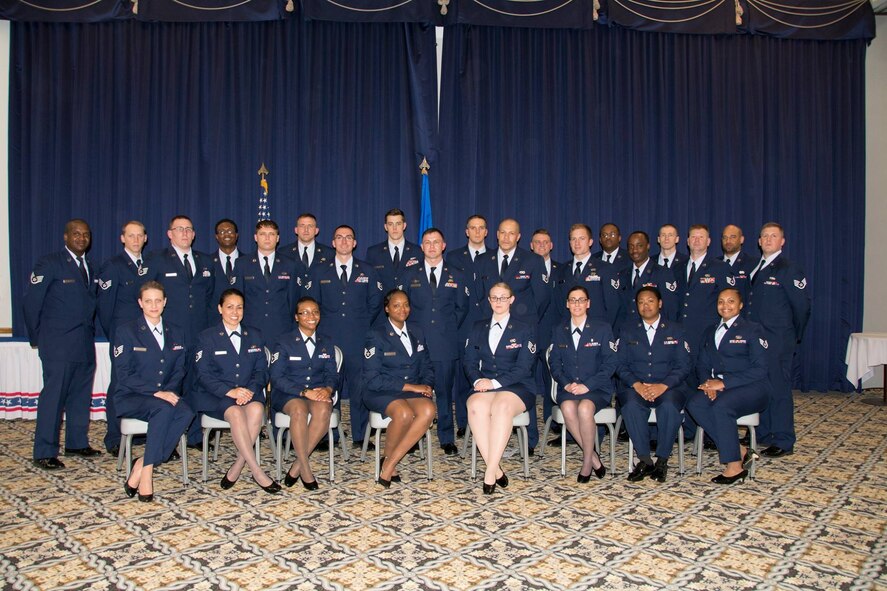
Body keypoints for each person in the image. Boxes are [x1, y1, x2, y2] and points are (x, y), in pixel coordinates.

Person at [23, 219, 100, 469]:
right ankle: (44, 451)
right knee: (53, 398)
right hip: (57, 344)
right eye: (76, 234)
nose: (81, 238)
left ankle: (76, 443)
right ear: (65, 237)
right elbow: (31, 303)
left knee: (80, 396)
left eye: (85, 234)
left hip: (83, 343)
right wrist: (38, 338)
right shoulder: (50, 263)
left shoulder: (91, 266)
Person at [114, 281, 194, 501]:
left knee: (187, 411)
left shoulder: (176, 332)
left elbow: (179, 370)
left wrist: (167, 391)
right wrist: (156, 392)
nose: (153, 305)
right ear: (140, 303)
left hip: (164, 395)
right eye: (148, 301)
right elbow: (124, 374)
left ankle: (141, 462)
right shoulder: (126, 332)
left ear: (165, 302)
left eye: (158, 300)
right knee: (163, 409)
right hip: (132, 397)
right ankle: (147, 472)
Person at [194, 289, 280, 493]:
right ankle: (258, 472)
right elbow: (203, 375)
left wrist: (249, 390)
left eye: (239, 307)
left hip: (249, 393)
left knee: (257, 410)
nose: (235, 312)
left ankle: (237, 467)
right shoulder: (207, 337)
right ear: (220, 309)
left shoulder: (255, 335)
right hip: (218, 396)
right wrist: (230, 392)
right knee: (235, 413)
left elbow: (262, 370)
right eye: (230, 307)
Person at [477, 218, 550, 453]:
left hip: (521, 332)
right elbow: (480, 297)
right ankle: (493, 438)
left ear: (519, 237)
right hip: (491, 332)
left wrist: (522, 323)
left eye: (512, 234)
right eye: (503, 233)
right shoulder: (483, 260)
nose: (507, 237)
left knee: (521, 382)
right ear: (496, 235)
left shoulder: (532, 261)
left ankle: (528, 441)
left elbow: (542, 298)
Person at [307, 224, 384, 447]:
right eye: (339, 237)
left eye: (348, 238)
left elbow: (374, 303)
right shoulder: (320, 271)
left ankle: (360, 435)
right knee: (329, 386)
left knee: (359, 387)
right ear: (332, 242)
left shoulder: (367, 270)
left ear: (355, 243)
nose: (343, 241)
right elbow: (314, 304)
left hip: (358, 338)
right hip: (327, 339)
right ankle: (327, 434)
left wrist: (360, 325)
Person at [145, 215, 215, 447]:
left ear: (194, 234)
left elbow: (210, 298)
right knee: (170, 385)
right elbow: (147, 295)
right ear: (169, 233)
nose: (184, 233)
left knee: (196, 384)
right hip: (170, 335)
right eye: (179, 229)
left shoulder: (205, 261)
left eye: (189, 229)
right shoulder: (156, 259)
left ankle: (194, 435)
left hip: (199, 335)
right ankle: (168, 437)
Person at [688, 288, 769, 484]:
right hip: (718, 386)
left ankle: (734, 466)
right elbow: (702, 364)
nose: (725, 306)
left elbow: (760, 369)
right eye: (721, 302)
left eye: (731, 301)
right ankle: (740, 450)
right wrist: (708, 384)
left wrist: (723, 383)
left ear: (740, 305)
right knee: (695, 404)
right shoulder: (710, 331)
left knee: (721, 407)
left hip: (752, 387)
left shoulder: (753, 329)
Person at [744, 223, 811, 458]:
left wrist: (792, 335)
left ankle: (783, 438)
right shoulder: (756, 267)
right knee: (761, 386)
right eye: (765, 236)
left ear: (782, 241)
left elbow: (801, 308)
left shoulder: (789, 268)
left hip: (778, 340)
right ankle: (763, 432)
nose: (769, 240)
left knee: (780, 389)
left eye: (774, 236)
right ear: (759, 241)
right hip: (757, 341)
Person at [463, 283, 538, 494]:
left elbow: (524, 367)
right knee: (476, 406)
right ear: (488, 300)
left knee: (502, 406)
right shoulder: (477, 327)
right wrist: (477, 381)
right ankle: (496, 470)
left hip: (518, 386)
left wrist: (494, 383)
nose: (498, 302)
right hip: (484, 385)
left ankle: (489, 473)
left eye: (503, 298)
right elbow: (469, 362)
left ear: (511, 300)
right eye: (494, 298)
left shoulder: (525, 329)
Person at [402, 228, 469, 455]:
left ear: (443, 245)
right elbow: (403, 310)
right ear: (421, 247)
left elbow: (462, 308)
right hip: (416, 345)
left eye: (436, 242)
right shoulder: (410, 274)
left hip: (445, 344)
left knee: (444, 392)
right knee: (414, 392)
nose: (431, 246)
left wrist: (445, 329)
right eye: (427, 242)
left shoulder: (457, 274)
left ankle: (446, 437)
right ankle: (412, 437)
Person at [616, 287, 691, 483]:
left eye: (650, 301)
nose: (645, 306)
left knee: (668, 406)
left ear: (660, 303)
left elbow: (684, 365)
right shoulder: (627, 330)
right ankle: (644, 460)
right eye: (641, 302)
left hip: (669, 388)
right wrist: (637, 384)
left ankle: (662, 460)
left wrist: (663, 385)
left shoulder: (676, 329)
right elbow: (619, 364)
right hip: (636, 387)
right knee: (631, 406)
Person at [363, 290, 436, 487]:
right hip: (381, 391)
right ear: (387, 309)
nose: (402, 309)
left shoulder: (417, 331)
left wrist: (427, 385)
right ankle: (389, 465)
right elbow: (372, 378)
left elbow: (427, 365)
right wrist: (412, 387)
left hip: (410, 391)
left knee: (429, 410)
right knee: (403, 413)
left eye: (405, 305)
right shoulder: (376, 335)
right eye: (396, 305)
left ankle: (388, 462)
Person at [548, 286, 618, 482]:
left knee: (585, 408)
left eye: (581, 300)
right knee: (569, 407)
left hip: (596, 388)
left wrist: (588, 385)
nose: (577, 304)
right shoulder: (559, 330)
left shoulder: (602, 328)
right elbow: (554, 363)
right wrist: (566, 383)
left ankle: (587, 461)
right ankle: (594, 457)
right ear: (567, 304)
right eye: (573, 300)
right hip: (569, 388)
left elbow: (610, 363)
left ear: (588, 303)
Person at [269, 297, 337, 490]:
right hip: (289, 393)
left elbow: (332, 374)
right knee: (298, 410)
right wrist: (303, 391)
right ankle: (305, 469)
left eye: (315, 311)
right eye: (304, 312)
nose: (311, 316)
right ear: (296, 317)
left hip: (317, 393)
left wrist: (328, 389)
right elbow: (276, 377)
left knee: (324, 410)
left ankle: (296, 465)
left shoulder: (326, 342)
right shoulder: (284, 342)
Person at [97, 220, 149, 455]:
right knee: (119, 384)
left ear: (145, 238)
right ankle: (115, 436)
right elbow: (105, 308)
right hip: (124, 336)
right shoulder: (113, 265)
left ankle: (137, 434)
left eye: (140, 236)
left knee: (144, 383)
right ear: (122, 238)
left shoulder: (148, 264)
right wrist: (116, 334)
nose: (136, 240)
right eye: (131, 236)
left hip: (147, 336)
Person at [446, 214, 492, 438]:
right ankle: (464, 423)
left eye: (480, 228)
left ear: (486, 232)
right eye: (472, 228)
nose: (476, 232)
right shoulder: (454, 257)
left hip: (489, 325)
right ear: (466, 231)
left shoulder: (494, 257)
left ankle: (487, 421)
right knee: (464, 378)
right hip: (462, 325)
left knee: (487, 375)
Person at [231, 220, 299, 345]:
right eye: (262, 234)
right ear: (256, 238)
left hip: (281, 329)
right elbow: (237, 299)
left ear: (277, 238)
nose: (267, 238)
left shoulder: (290, 264)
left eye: (271, 234)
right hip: (251, 329)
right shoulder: (242, 264)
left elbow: (293, 299)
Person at [674, 225, 734, 362]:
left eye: (701, 237)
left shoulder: (720, 267)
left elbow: (730, 300)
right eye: (693, 237)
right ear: (688, 241)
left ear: (708, 242)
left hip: (706, 334)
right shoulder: (677, 268)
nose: (697, 240)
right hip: (681, 333)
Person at [555, 223, 621, 328]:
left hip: (597, 330)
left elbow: (613, 305)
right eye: (573, 239)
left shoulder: (605, 268)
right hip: (568, 331)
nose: (577, 243)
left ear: (590, 242)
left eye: (582, 238)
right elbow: (559, 305)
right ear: (570, 243)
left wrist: (604, 331)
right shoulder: (562, 270)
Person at [615, 231, 678, 334]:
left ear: (648, 246)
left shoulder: (662, 273)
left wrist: (668, 334)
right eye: (631, 246)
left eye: (639, 246)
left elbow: (670, 308)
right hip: (628, 333)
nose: (634, 250)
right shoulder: (623, 275)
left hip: (655, 332)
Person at [364, 208, 423, 292]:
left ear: (404, 225)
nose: (394, 228)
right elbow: (369, 284)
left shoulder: (418, 252)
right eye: (390, 224)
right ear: (386, 227)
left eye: (398, 224)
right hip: (383, 303)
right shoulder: (373, 252)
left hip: (409, 303)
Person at [282, 213, 333, 286]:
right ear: (296, 230)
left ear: (316, 230)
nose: (306, 230)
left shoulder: (329, 254)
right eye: (302, 226)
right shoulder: (283, 253)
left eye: (310, 226)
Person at [210, 219, 242, 305]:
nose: (226, 234)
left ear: (236, 235)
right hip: (214, 316)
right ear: (216, 236)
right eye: (222, 232)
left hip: (242, 316)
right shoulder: (207, 262)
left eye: (230, 231)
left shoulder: (248, 262)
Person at [720, 224, 756, 298]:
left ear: (741, 239)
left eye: (732, 237)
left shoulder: (753, 264)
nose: (728, 241)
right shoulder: (714, 264)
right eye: (725, 237)